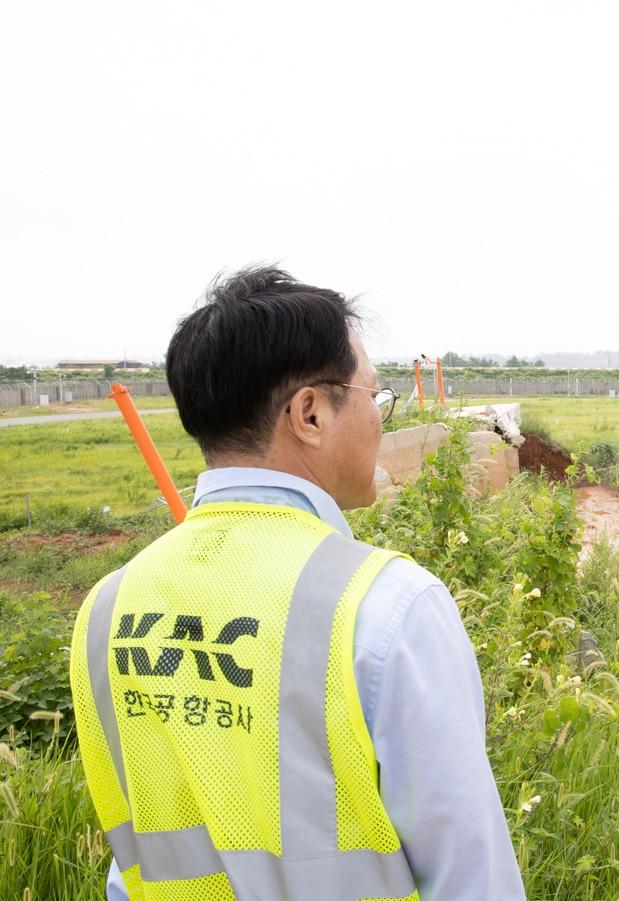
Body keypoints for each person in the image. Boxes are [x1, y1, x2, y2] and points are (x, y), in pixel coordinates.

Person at [69, 266, 525, 900]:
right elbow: (471, 879)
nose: (380, 421)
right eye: (374, 397)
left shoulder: (108, 609)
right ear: (310, 412)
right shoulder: (386, 607)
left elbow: (133, 863)